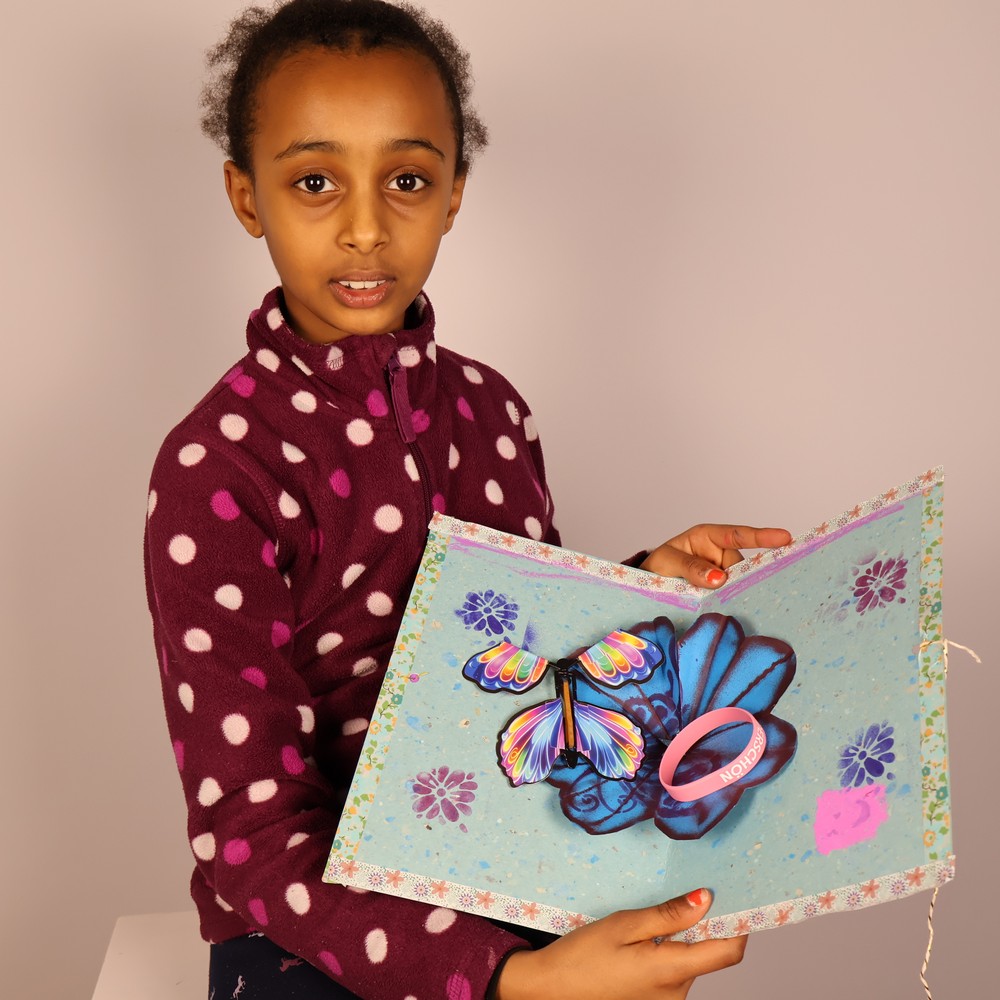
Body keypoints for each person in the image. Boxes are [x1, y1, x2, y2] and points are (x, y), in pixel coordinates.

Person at [143, 1, 791, 997]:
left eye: (406, 179)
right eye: (315, 181)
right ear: (245, 194)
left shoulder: (494, 409)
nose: (366, 226)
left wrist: (640, 586)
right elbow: (249, 832)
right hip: (304, 929)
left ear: (452, 193)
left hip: (503, 867)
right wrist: (504, 984)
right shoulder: (217, 469)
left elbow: (525, 662)